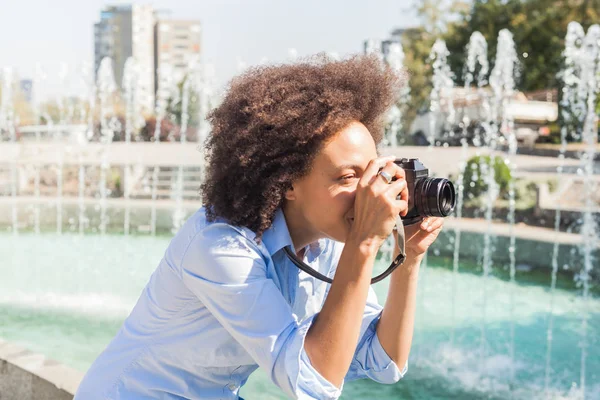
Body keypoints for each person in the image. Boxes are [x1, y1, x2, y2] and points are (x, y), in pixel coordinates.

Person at [74, 54, 444, 400]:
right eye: (348, 177)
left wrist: (407, 259)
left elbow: (383, 362)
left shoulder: (326, 244)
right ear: (287, 183)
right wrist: (363, 245)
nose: (367, 192)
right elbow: (313, 381)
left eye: (370, 173)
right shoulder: (219, 246)